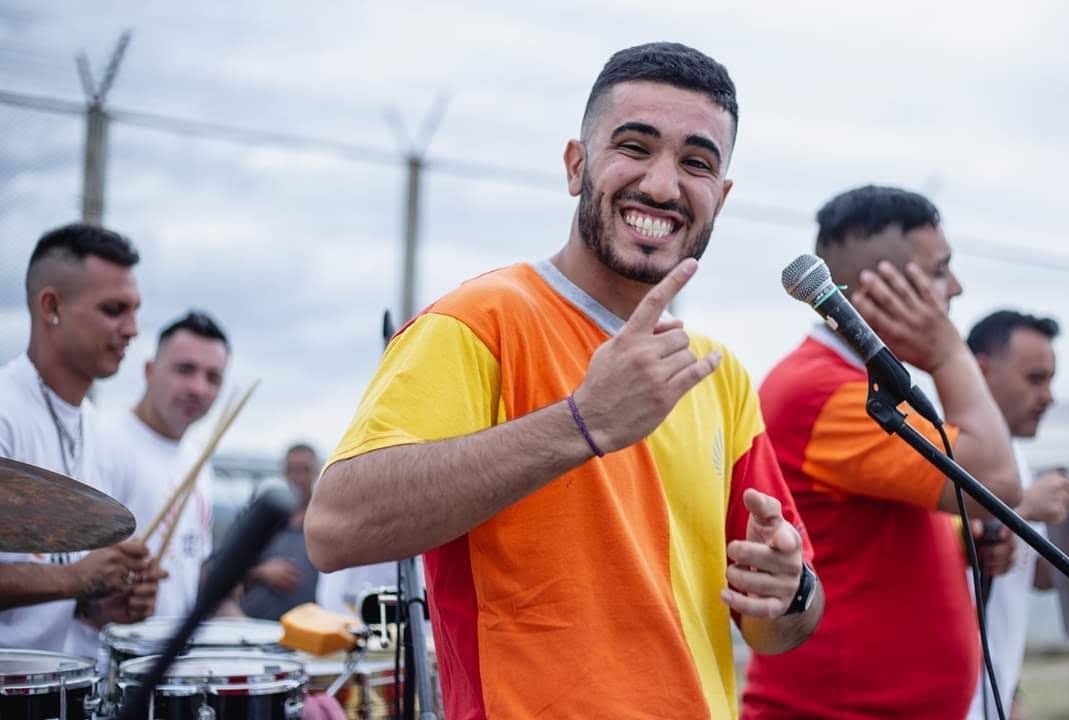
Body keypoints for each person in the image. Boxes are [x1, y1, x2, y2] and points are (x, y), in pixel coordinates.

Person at [307, 42, 823, 719]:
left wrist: (788, 592)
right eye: (634, 147)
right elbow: (337, 527)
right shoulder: (478, 321)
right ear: (576, 166)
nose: (664, 186)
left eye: (696, 163)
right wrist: (582, 422)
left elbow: (780, 628)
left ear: (720, 197)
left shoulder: (717, 375)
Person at [742, 185, 1023, 719]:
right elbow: (997, 482)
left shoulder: (859, 385)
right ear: (880, 288)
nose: (956, 290)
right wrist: (947, 351)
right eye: (941, 271)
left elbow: (873, 527)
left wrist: (966, 542)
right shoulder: (822, 391)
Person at [0, 222, 164, 658]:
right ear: (51, 306)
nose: (132, 329)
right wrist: (75, 578)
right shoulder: (4, 410)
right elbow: (65, 574)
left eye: (135, 310)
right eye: (114, 309)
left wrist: (100, 606)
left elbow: (50, 590)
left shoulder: (98, 429)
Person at [965, 310, 1069, 720]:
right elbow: (939, 545)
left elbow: (1033, 576)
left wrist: (1011, 695)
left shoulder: (1015, 460)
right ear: (981, 369)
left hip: (990, 700)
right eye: (1034, 379)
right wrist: (1026, 506)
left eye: (1049, 380)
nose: (1048, 395)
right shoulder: (941, 446)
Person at [104, 310, 230, 620]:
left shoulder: (198, 459)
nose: (199, 388)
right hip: (105, 660)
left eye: (213, 377)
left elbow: (192, 572)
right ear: (149, 370)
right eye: (185, 370)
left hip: (171, 661)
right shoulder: (102, 440)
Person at [237, 443, 321, 620]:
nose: (298, 477)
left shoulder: (326, 521)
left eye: (304, 470)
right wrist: (262, 571)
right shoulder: (261, 519)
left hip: (310, 630)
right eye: (292, 470)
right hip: (256, 626)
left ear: (317, 472)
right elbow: (221, 568)